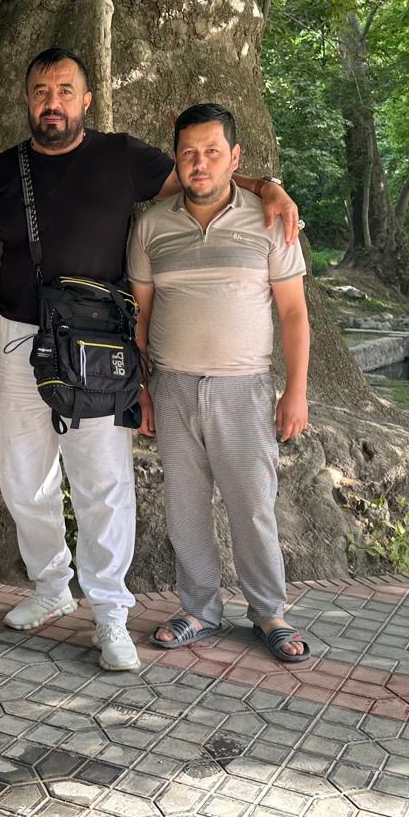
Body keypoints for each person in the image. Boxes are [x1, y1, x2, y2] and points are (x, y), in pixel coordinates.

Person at [0, 49, 301, 671]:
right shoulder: (1, 171)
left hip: (96, 344)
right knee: (24, 477)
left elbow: (203, 174)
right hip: (16, 336)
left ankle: (110, 611)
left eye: (66, 90)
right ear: (27, 99)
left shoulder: (122, 157)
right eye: (41, 91)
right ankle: (51, 587)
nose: (53, 102)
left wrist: (267, 185)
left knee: (103, 482)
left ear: (87, 100)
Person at [129, 103, 312, 663]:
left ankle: (270, 612)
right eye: (188, 153)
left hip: (245, 389)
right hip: (173, 388)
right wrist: (143, 388)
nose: (200, 163)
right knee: (185, 508)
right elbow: (139, 316)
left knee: (252, 506)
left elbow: (294, 314)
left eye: (212, 152)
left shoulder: (270, 218)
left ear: (235, 158)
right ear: (176, 159)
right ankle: (199, 609)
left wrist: (296, 391)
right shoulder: (151, 225)